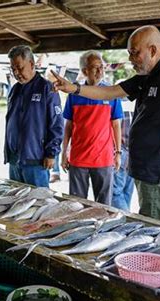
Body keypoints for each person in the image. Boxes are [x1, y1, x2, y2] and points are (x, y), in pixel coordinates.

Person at [52, 25, 160, 222]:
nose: (130, 59)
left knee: (154, 230)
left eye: (134, 53)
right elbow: (110, 92)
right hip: (149, 170)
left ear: (153, 50)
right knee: (157, 225)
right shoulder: (147, 76)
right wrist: (72, 88)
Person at [61, 50, 122, 205]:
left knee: (104, 207)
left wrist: (118, 153)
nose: (100, 71)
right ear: (84, 71)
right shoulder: (74, 94)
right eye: (95, 67)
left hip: (103, 159)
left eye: (101, 67)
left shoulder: (110, 93)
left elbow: (116, 125)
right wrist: (63, 153)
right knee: (76, 205)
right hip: (78, 159)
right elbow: (68, 126)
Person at [5, 45, 64, 188]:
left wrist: (51, 154)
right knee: (15, 201)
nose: (16, 73)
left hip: (36, 160)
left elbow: (56, 124)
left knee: (39, 204)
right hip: (14, 160)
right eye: (13, 69)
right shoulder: (15, 89)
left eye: (19, 68)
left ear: (31, 64)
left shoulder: (46, 88)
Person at [111, 107, 134, 211]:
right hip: (134, 150)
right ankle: (126, 218)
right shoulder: (139, 100)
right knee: (127, 190)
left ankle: (125, 218)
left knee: (115, 192)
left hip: (120, 150)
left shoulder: (116, 100)